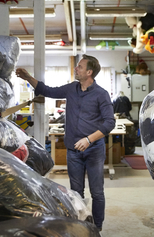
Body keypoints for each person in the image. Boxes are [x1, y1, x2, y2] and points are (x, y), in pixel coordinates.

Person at [15, 54, 115, 232]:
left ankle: (97, 228)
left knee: (97, 192)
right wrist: (28, 77)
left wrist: (89, 139)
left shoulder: (101, 94)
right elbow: (49, 91)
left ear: (89, 72)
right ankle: (79, 225)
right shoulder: (72, 89)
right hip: (73, 151)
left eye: (80, 67)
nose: (76, 69)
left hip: (94, 150)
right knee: (75, 192)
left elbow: (109, 122)